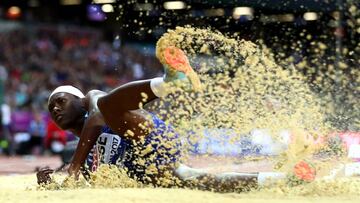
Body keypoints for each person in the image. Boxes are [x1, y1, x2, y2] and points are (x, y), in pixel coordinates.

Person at [37, 47, 313, 192]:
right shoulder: (82, 151)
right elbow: (92, 177)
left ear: (78, 99)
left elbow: (97, 114)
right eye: (51, 109)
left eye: (60, 101)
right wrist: (58, 177)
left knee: (108, 105)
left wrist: (71, 169)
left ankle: (170, 82)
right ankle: (282, 179)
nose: (55, 109)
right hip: (142, 167)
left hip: (150, 139)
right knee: (199, 180)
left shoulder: (94, 101)